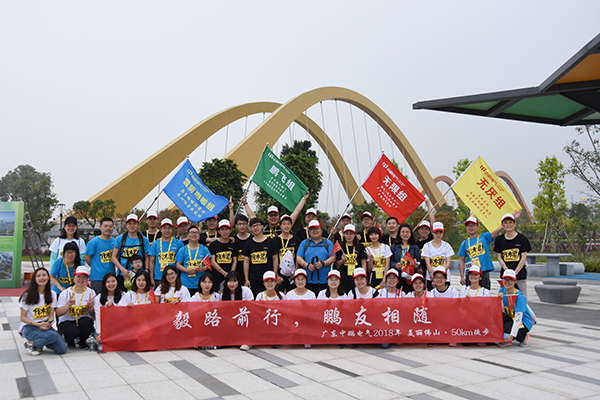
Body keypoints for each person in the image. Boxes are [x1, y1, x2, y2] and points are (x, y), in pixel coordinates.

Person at [19, 268, 66, 356]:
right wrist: (38, 325)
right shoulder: (27, 295)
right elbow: (23, 318)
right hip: (30, 327)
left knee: (62, 349)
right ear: (34, 279)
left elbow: (51, 315)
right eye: (38, 276)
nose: (42, 278)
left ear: (48, 278)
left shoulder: (52, 294)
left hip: (44, 325)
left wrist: (49, 323)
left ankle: (40, 342)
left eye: (44, 275)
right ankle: (31, 344)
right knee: (53, 336)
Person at [458, 215, 506, 291]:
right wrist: (462, 276)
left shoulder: (484, 237)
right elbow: (461, 260)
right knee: (470, 294)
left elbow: (496, 231)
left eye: (473, 225)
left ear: (478, 227)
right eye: (468, 226)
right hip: (471, 274)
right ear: (466, 228)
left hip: (483, 273)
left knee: (484, 294)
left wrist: (504, 224)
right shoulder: (464, 243)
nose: (471, 227)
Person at [56, 266, 96, 349]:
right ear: (74, 277)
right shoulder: (65, 293)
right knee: (72, 331)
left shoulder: (91, 292)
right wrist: (68, 305)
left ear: (87, 279)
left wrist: (90, 307)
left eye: (84, 277)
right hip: (67, 321)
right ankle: (70, 341)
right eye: (78, 277)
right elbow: (58, 313)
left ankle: (82, 341)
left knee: (87, 322)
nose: (81, 279)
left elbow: (92, 314)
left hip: (82, 320)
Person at [494, 213, 532, 298]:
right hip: (505, 275)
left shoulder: (522, 239)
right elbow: (499, 257)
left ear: (514, 224)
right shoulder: (499, 240)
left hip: (519, 275)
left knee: (522, 297)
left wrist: (514, 273)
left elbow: (523, 257)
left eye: (510, 222)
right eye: (506, 223)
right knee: (503, 297)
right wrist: (507, 271)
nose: (508, 225)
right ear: (502, 225)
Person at [296, 220, 336, 295]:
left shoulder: (328, 243)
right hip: (307, 281)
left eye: (317, 228)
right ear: (309, 231)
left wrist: (323, 263)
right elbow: (299, 257)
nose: (314, 231)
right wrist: (307, 265)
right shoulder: (304, 243)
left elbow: (333, 258)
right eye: (312, 229)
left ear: (321, 230)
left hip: (325, 281)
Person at [111, 213, 150, 290]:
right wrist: (122, 269)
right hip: (123, 275)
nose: (132, 226)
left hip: (139, 275)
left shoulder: (143, 239)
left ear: (138, 225)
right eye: (129, 223)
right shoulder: (120, 239)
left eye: (134, 223)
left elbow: (146, 257)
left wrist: (146, 269)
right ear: (126, 225)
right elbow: (113, 257)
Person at [243, 218, 279, 297]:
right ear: (250, 229)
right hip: (254, 278)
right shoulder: (248, 244)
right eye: (253, 226)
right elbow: (246, 262)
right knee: (256, 299)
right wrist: (246, 279)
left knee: (269, 298)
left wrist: (275, 274)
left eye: (258, 225)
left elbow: (275, 259)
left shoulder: (271, 241)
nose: (256, 228)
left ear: (262, 226)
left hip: (268, 278)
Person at [497, 270, 533, 347]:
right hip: (511, 317)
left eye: (510, 280)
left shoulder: (520, 297)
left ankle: (523, 336)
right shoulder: (502, 291)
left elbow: (518, 318)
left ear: (514, 281)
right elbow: (499, 309)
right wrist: (499, 299)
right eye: (505, 279)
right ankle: (508, 336)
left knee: (504, 328)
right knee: (496, 322)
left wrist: (512, 335)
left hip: (523, 321)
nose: (507, 282)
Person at [220, 270, 253, 351]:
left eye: (234, 281)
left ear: (238, 281)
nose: (232, 284)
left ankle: (247, 342)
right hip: (229, 319)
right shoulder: (223, 294)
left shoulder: (246, 291)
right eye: (229, 281)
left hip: (243, 318)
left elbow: (252, 307)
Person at [175, 225, 212, 295]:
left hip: (201, 283)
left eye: (196, 233)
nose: (194, 234)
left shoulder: (204, 249)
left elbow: (209, 264)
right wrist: (187, 270)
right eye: (191, 232)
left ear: (199, 236)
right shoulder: (182, 250)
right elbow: (178, 265)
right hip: (185, 283)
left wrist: (203, 269)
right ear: (188, 235)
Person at [148, 218, 184, 288]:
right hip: (159, 277)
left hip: (174, 277)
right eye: (164, 228)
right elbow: (151, 262)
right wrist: (151, 278)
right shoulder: (155, 244)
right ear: (160, 229)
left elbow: (181, 261)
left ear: (172, 229)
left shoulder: (178, 243)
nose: (167, 230)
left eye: (169, 228)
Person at [285, 269, 315, 349]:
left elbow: (313, 311)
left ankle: (306, 338)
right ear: (294, 281)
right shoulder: (289, 294)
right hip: (293, 319)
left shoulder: (311, 294)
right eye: (298, 279)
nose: (300, 282)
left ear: (306, 280)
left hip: (306, 320)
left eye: (302, 279)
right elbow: (286, 310)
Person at [85, 217, 116, 293]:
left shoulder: (115, 242)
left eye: (110, 226)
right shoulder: (93, 242)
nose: (108, 228)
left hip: (111, 278)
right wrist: (96, 266)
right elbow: (87, 258)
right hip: (97, 279)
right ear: (100, 227)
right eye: (105, 226)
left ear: (113, 227)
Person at [94, 272, 127, 345]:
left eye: (113, 281)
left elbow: (124, 314)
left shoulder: (123, 295)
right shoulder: (98, 298)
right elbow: (98, 316)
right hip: (105, 328)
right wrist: (99, 333)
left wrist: (112, 308)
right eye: (108, 282)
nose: (111, 284)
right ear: (104, 284)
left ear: (117, 282)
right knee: (101, 346)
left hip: (119, 327)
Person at [334, 224, 368, 293]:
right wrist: (342, 260)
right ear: (343, 234)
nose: (348, 236)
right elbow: (337, 264)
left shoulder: (360, 246)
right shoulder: (340, 246)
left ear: (355, 234)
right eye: (346, 234)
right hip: (344, 276)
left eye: (351, 234)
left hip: (357, 275)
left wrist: (363, 276)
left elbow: (363, 263)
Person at [422, 222, 454, 291]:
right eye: (436, 232)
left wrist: (441, 274)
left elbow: (448, 263)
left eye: (440, 232)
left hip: (444, 277)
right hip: (430, 277)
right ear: (432, 232)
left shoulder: (447, 245)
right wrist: (432, 275)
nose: (438, 235)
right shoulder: (427, 246)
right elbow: (428, 263)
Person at [390, 223, 421, 293]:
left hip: (410, 276)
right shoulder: (394, 247)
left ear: (410, 234)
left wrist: (416, 265)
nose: (405, 234)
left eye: (407, 232)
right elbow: (390, 261)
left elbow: (419, 262)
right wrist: (395, 265)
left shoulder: (414, 247)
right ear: (399, 234)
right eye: (403, 232)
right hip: (398, 275)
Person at [274, 214, 301, 293]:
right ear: (280, 226)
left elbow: (298, 257)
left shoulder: (296, 240)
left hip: (292, 274)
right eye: (284, 224)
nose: (286, 226)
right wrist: (276, 275)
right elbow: (275, 258)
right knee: (279, 295)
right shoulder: (275, 240)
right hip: (280, 274)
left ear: (291, 225)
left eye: (288, 224)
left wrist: (296, 272)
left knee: (292, 295)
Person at [208, 219, 237, 291]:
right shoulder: (213, 245)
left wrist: (231, 273)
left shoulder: (233, 244)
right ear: (219, 231)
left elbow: (235, 260)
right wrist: (224, 273)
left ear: (230, 231)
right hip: (217, 276)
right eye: (222, 229)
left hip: (231, 277)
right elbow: (212, 261)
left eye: (227, 229)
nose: (225, 232)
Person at [233, 214, 252, 285]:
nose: (242, 226)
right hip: (237, 273)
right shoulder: (233, 241)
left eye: (244, 224)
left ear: (247, 225)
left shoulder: (253, 239)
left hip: (252, 272)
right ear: (236, 226)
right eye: (239, 224)